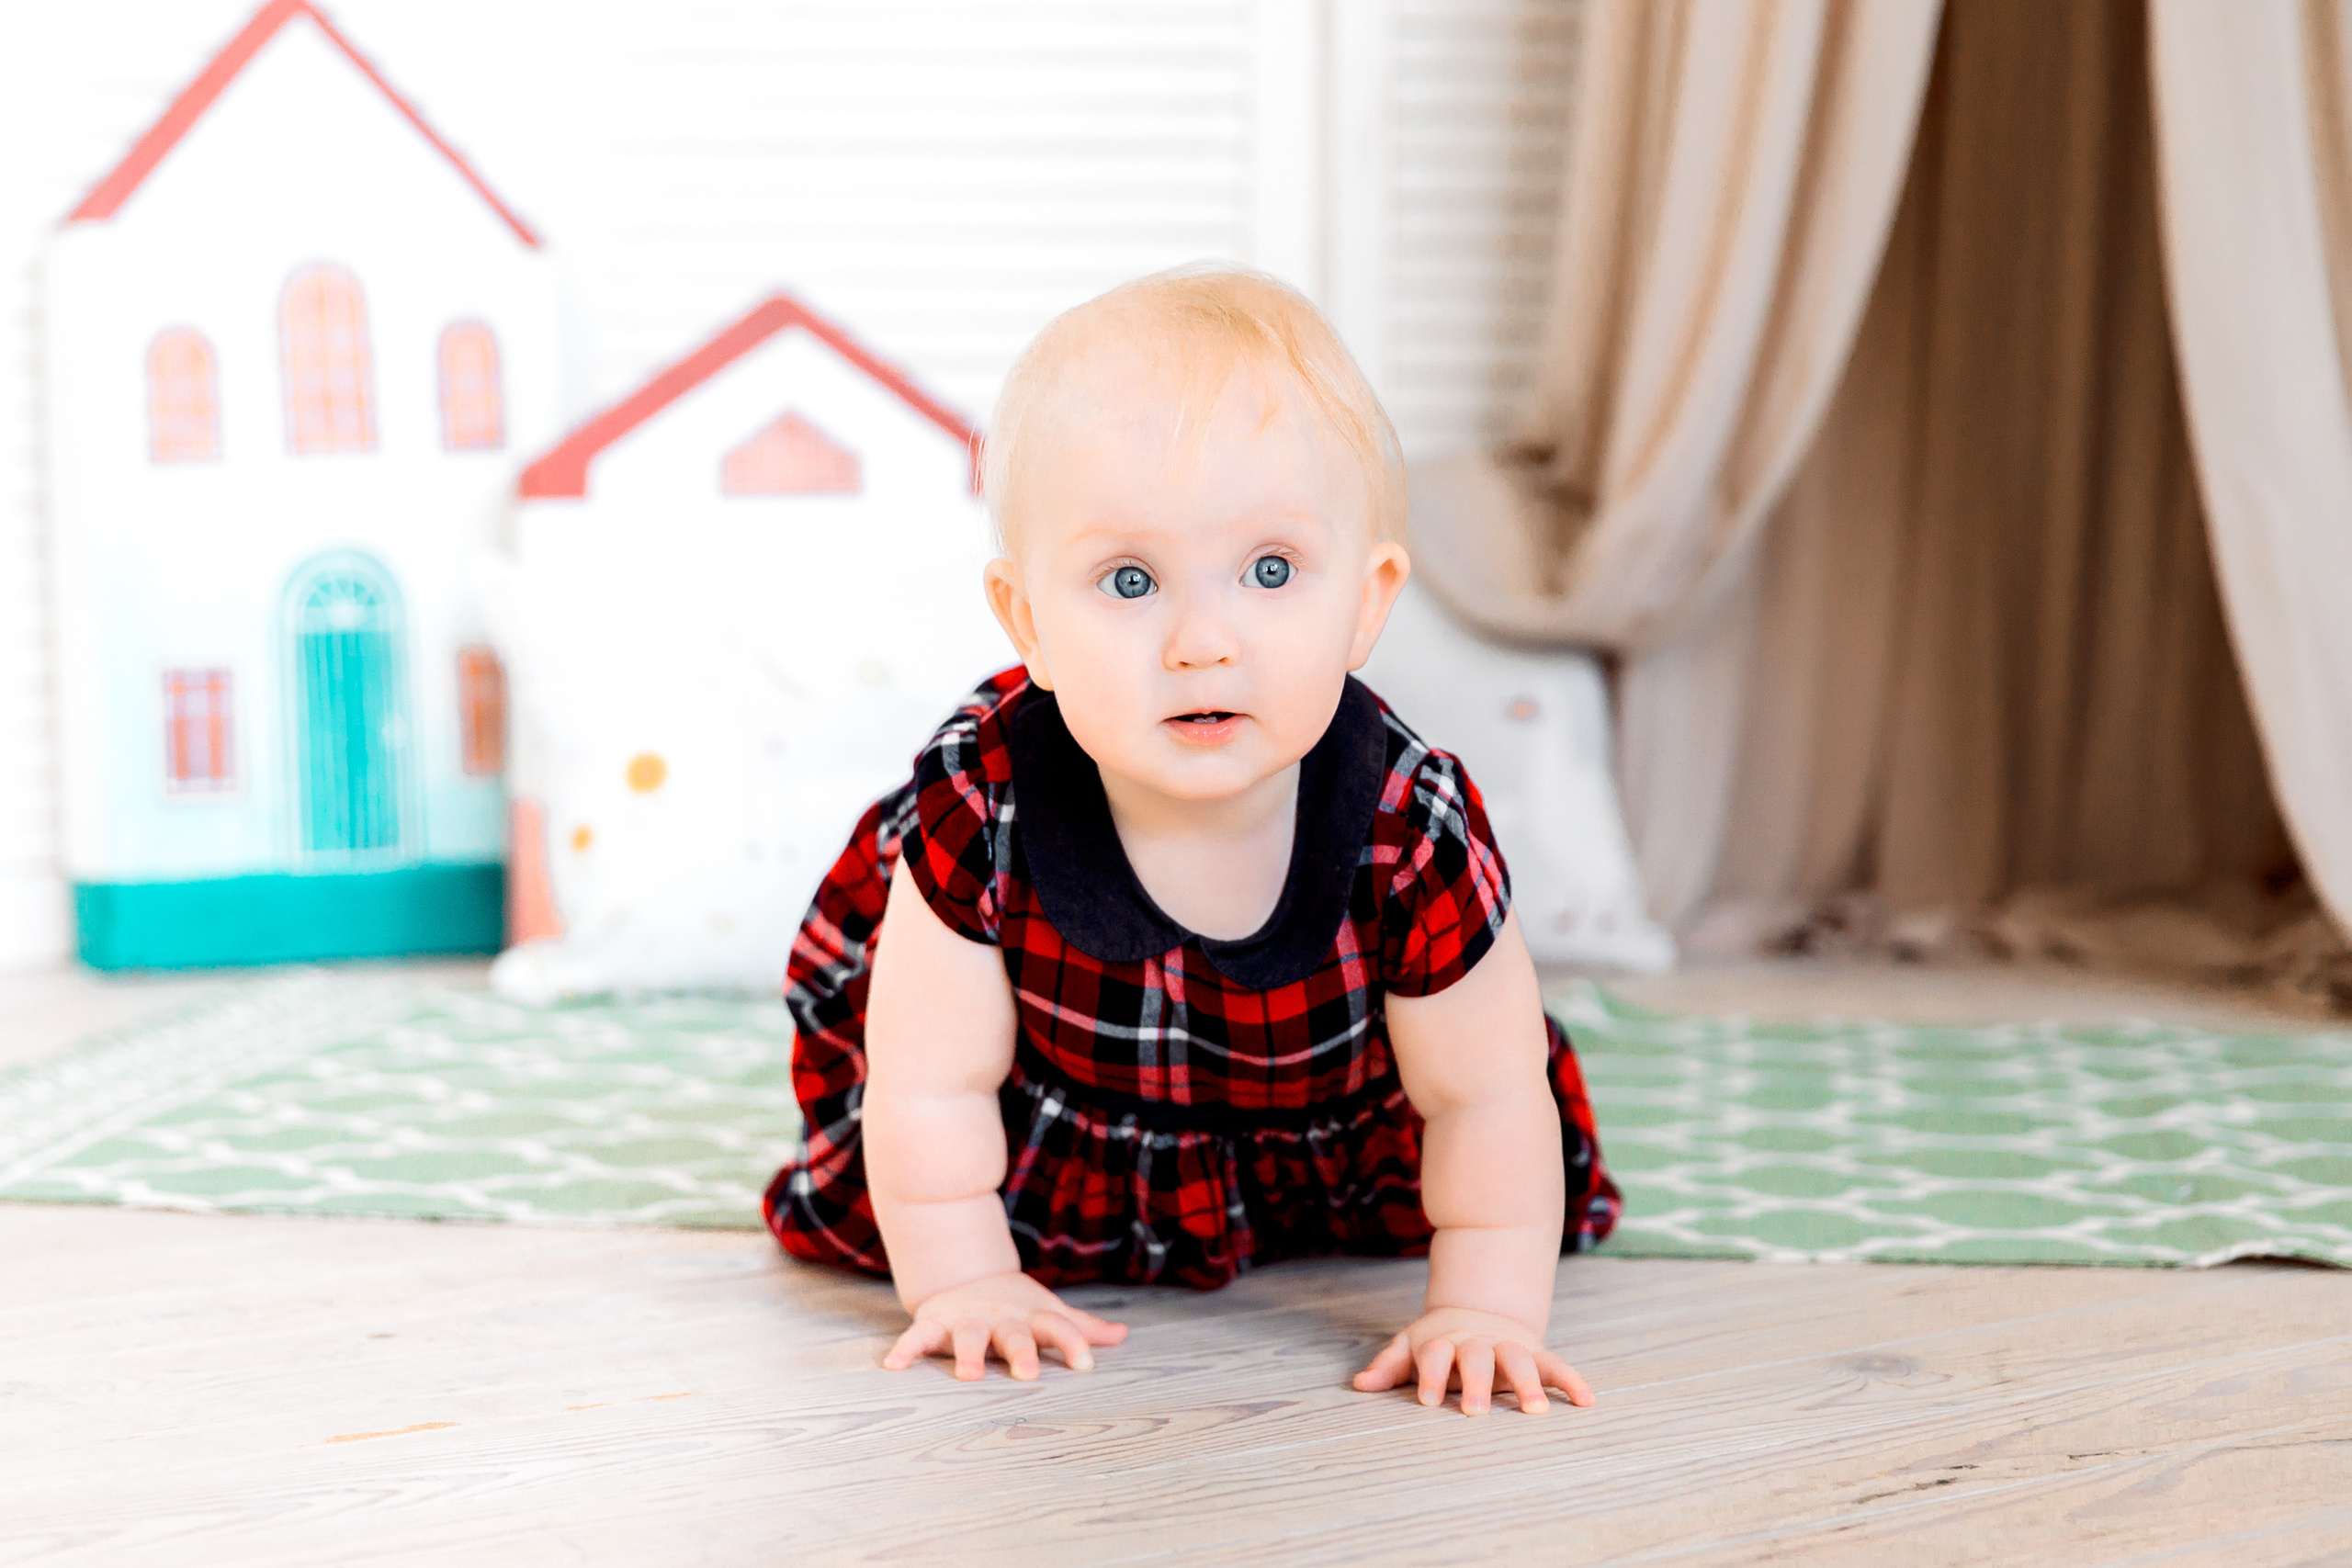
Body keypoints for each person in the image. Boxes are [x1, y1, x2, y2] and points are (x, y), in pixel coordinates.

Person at [765, 265, 1619, 1416]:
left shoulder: (1409, 828)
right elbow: (926, 1087)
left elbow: (1485, 1097)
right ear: (1027, 623)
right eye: (1129, 580)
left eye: (1270, 571)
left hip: (1333, 1140)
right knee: (917, 1157)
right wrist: (966, 1280)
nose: (1200, 641)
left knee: (1494, 1102)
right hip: (1052, 1140)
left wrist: (1483, 1306)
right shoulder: (985, 802)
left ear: (1366, 602)